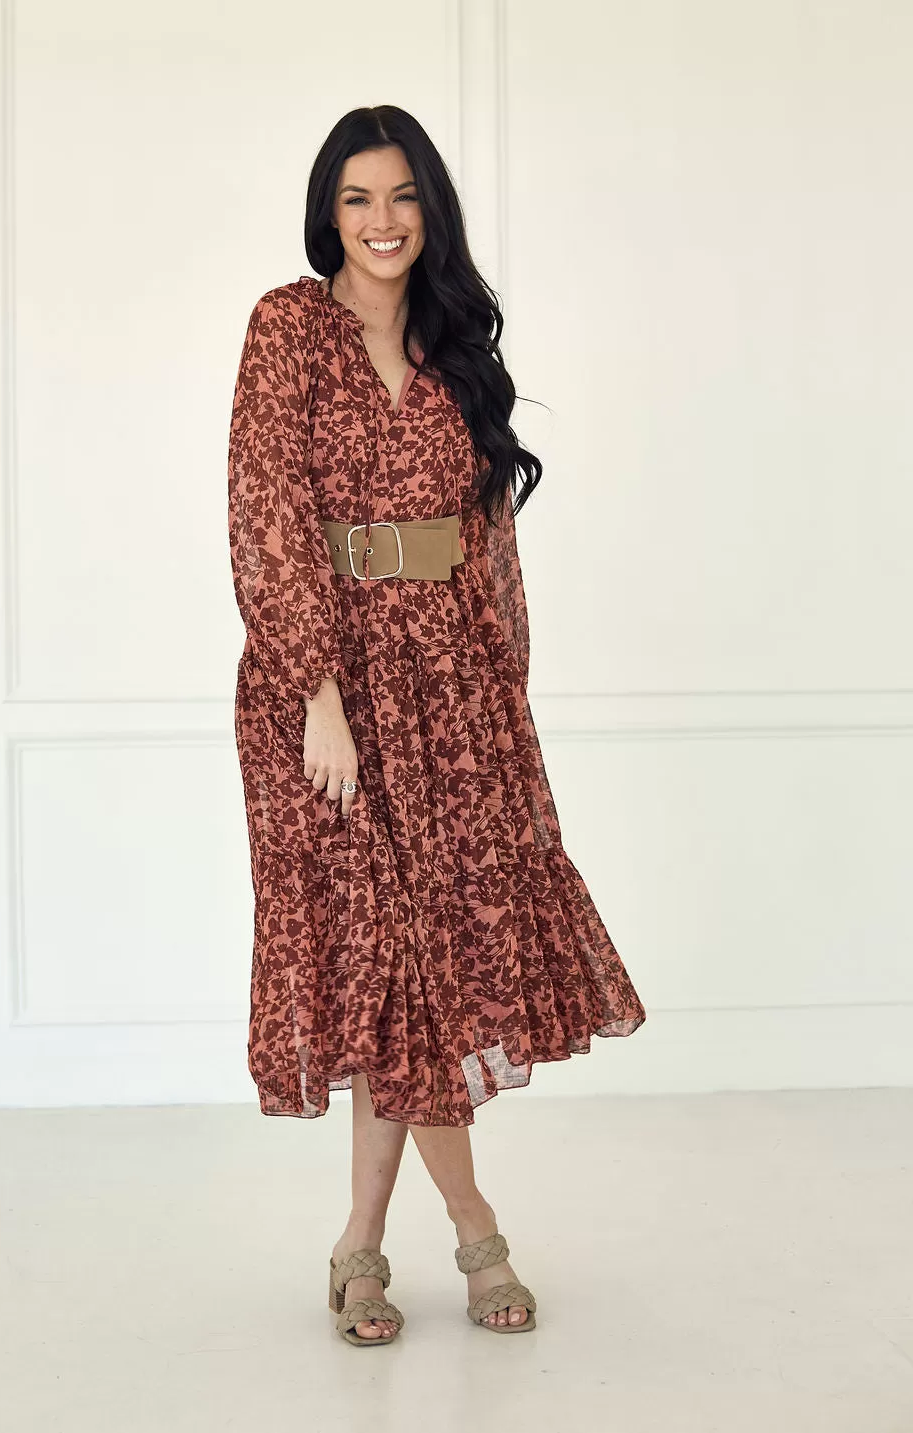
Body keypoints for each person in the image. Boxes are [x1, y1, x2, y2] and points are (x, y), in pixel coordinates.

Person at [227, 106, 646, 1347]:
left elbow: (487, 540)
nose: (383, 220)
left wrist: (505, 699)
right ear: (328, 213)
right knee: (388, 962)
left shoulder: (455, 342)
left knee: (428, 975)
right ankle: (473, 1231)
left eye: (404, 194)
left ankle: (360, 1248)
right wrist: (317, 694)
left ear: (432, 209)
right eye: (357, 197)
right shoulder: (288, 327)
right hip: (326, 689)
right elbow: (264, 511)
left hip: (452, 689)